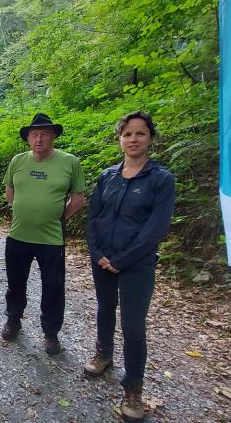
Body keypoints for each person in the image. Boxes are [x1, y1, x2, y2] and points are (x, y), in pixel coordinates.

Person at [84, 111, 175, 421]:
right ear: (119, 139)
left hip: (137, 264)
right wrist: (97, 253)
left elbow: (156, 227)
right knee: (104, 308)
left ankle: (133, 388)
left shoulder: (161, 179)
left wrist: (122, 259)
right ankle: (104, 353)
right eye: (127, 134)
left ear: (150, 138)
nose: (133, 139)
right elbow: (94, 217)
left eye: (140, 133)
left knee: (133, 326)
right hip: (103, 260)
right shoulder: (107, 176)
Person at [1, 113, 85, 355]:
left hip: (51, 238)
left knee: (53, 286)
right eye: (34, 134)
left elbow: (77, 199)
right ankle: (13, 319)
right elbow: (10, 192)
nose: (39, 139)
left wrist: (57, 218)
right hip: (18, 235)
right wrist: (24, 211)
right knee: (15, 282)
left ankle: (50, 333)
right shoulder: (17, 161)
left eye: (44, 134)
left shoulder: (70, 162)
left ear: (53, 137)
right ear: (28, 138)